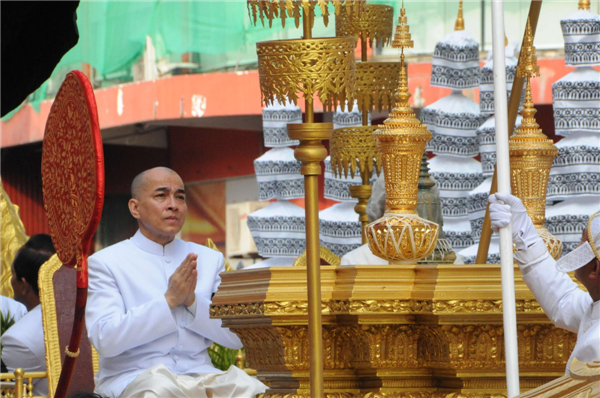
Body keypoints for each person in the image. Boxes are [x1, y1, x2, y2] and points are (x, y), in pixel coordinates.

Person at [86, 167, 266, 398]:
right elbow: (105, 339)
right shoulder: (106, 262)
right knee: (158, 392)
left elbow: (234, 337)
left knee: (254, 389)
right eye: (161, 196)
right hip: (133, 377)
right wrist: (169, 300)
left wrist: (192, 302)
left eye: (179, 197)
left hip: (199, 375)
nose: (173, 205)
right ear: (135, 208)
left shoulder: (210, 259)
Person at [489, 193, 600, 371]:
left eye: (582, 243)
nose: (576, 248)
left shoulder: (596, 345)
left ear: (595, 269)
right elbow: (563, 300)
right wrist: (523, 234)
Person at [1, 234, 56, 396]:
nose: (10, 281)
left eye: (12, 274)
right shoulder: (86, 308)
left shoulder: (20, 339)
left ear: (24, 285)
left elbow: (7, 391)